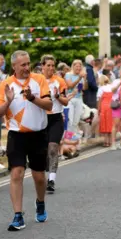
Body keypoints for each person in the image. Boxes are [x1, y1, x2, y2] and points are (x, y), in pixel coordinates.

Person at [0, 50, 53, 231]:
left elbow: (49, 104)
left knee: (39, 177)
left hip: (38, 134)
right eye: (23, 65)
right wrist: (8, 101)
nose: (27, 68)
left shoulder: (39, 80)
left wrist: (32, 98)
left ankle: (40, 202)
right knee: (16, 173)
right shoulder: (5, 85)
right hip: (16, 135)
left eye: (28, 64)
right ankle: (18, 215)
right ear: (14, 66)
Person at [41, 55, 73, 193]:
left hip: (55, 118)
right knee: (42, 151)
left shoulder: (59, 81)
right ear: (42, 66)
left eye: (53, 65)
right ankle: (42, 176)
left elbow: (66, 102)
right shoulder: (37, 80)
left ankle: (52, 180)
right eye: (48, 65)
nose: (51, 68)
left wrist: (57, 96)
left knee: (53, 148)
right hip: (40, 119)